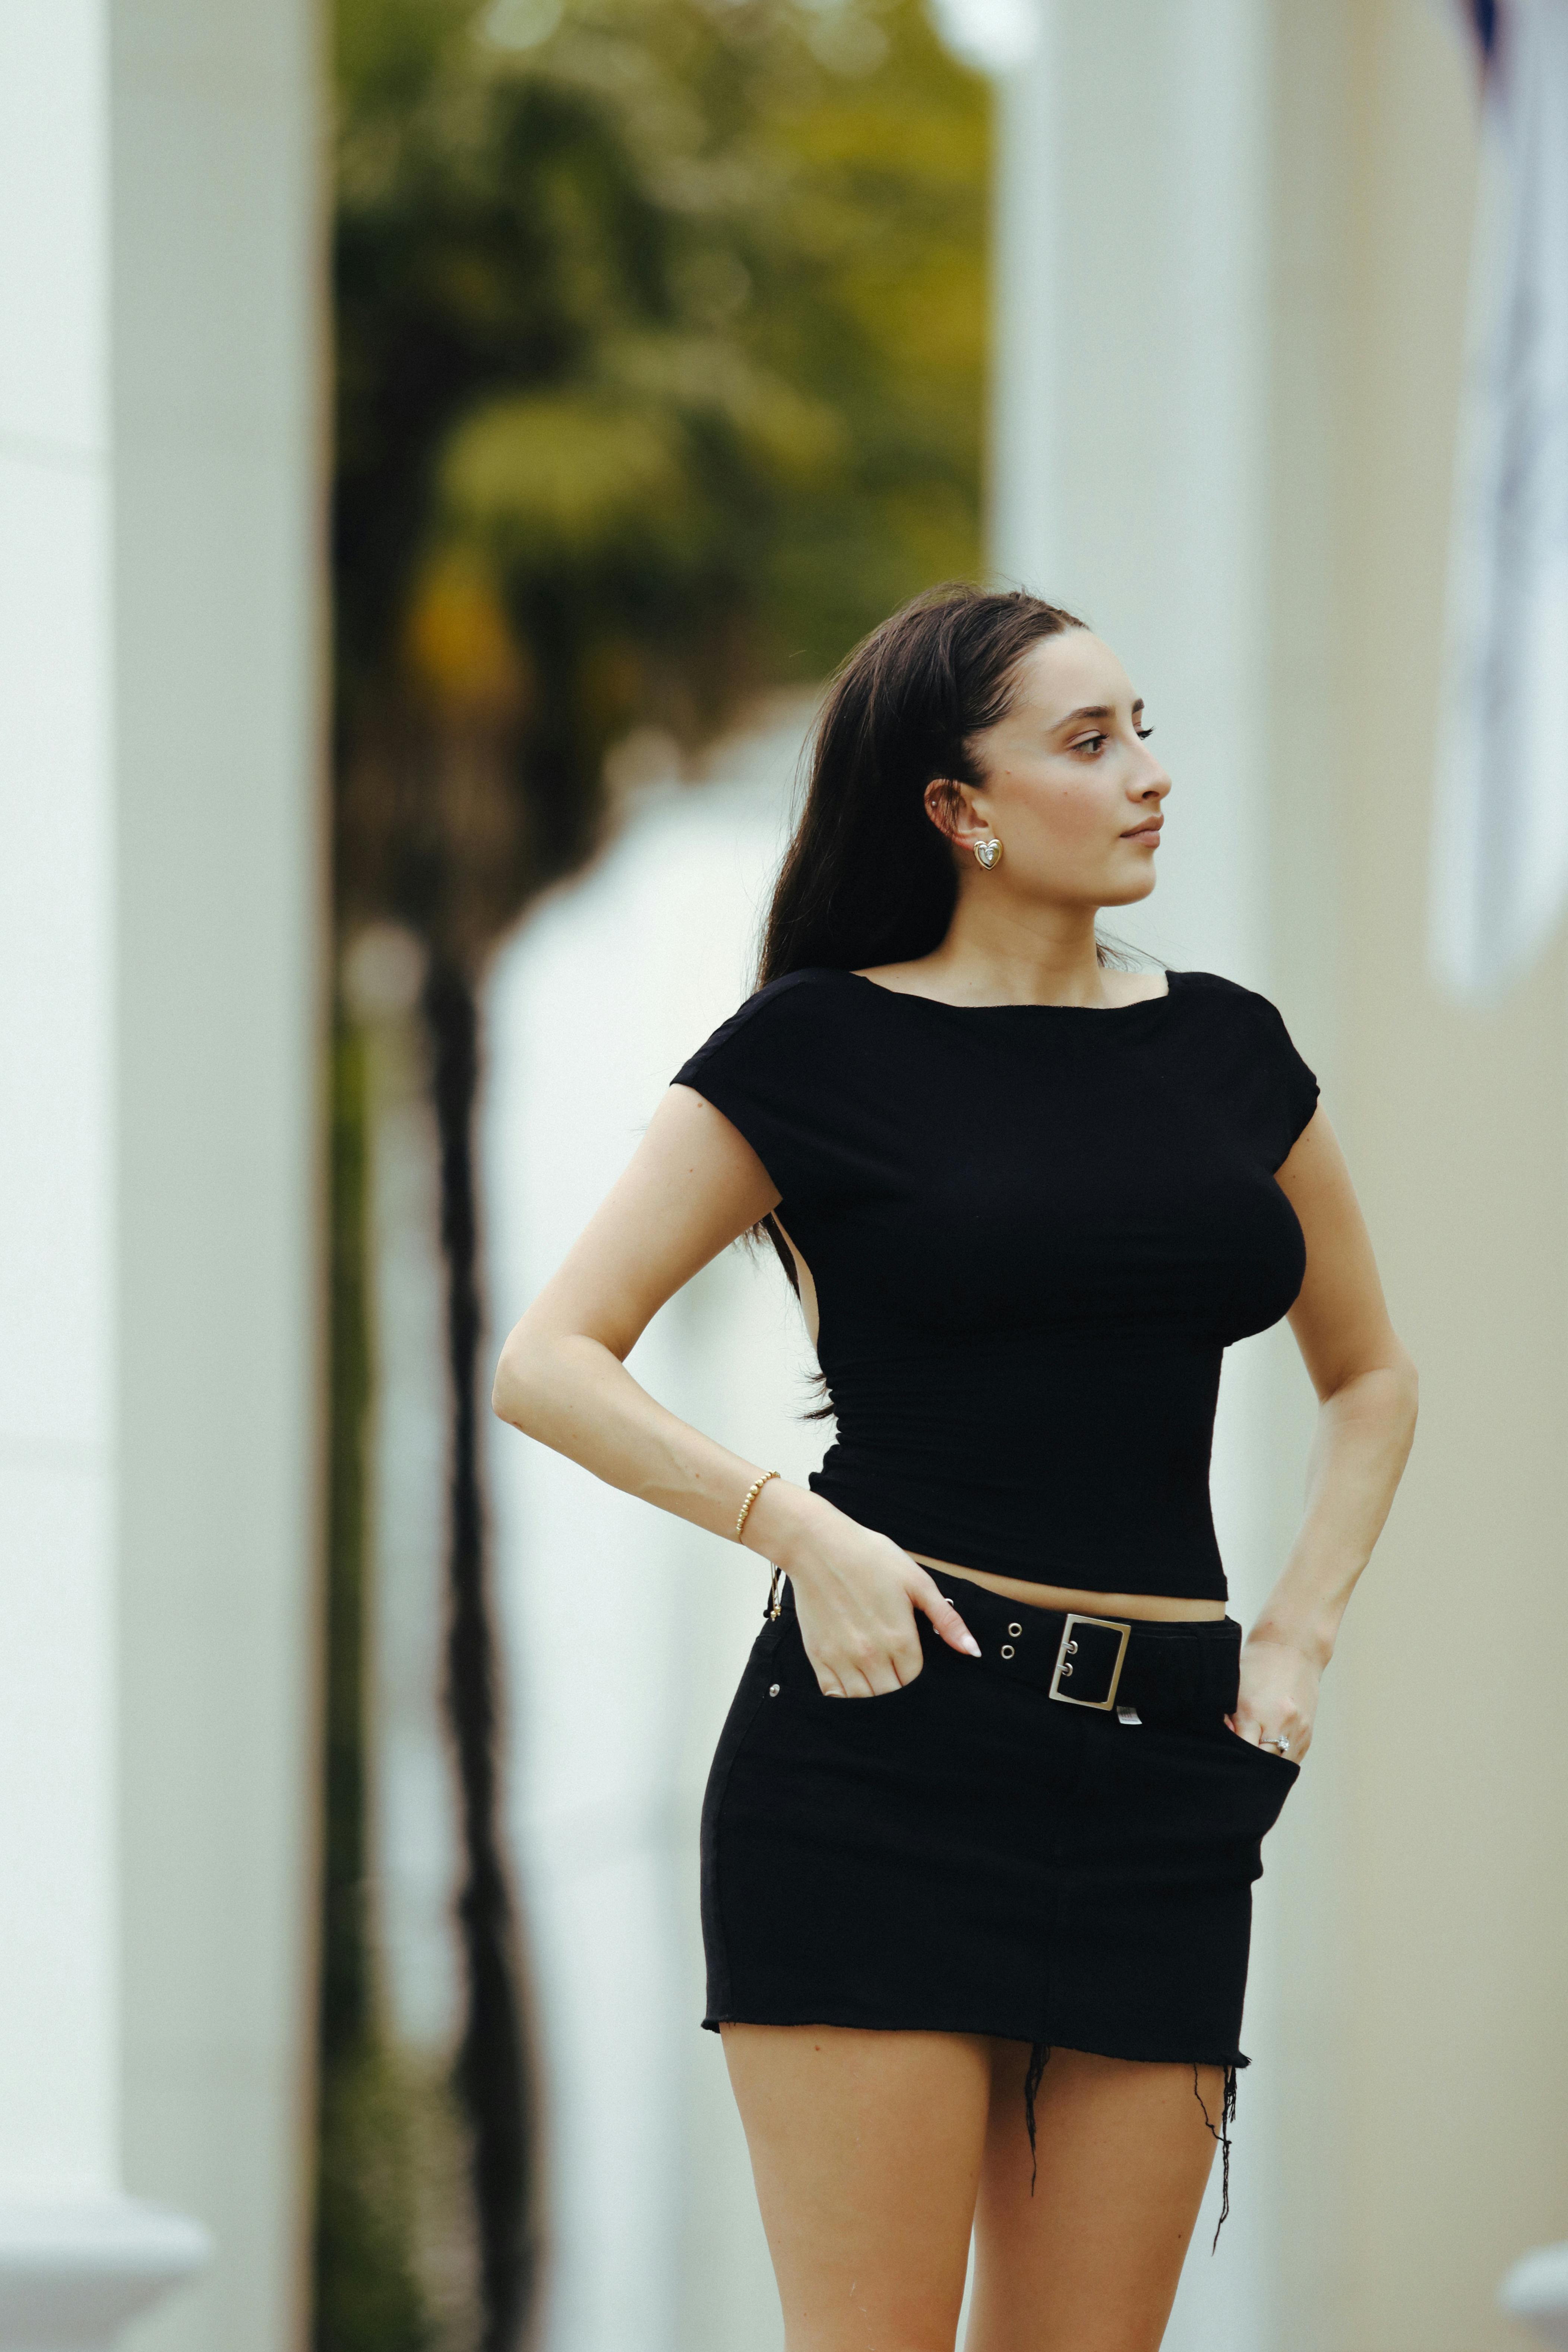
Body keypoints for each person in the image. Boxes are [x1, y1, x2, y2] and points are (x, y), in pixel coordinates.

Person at [491, 585, 1417, 2352]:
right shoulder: (814, 1051)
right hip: (881, 1765)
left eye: (1143, 726)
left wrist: (1292, 1640)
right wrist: (799, 1531)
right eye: (1088, 741)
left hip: (1165, 1777)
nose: (1149, 774)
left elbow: (1368, 1377)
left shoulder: (1229, 1052)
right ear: (957, 810)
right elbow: (550, 1360)